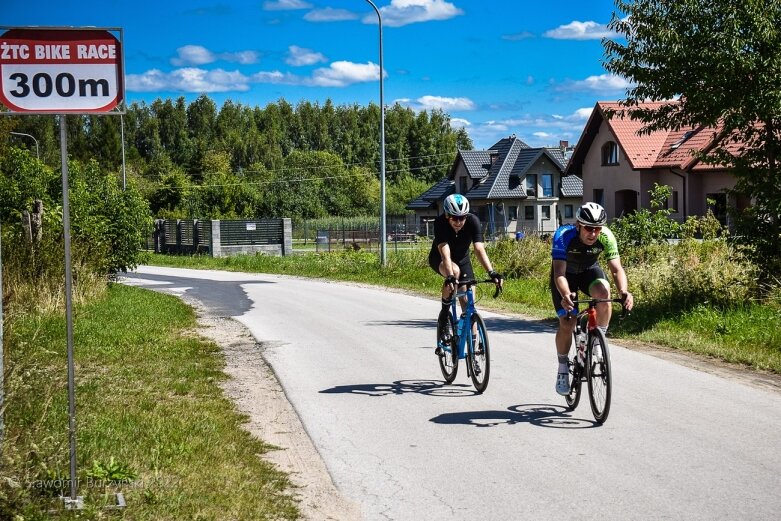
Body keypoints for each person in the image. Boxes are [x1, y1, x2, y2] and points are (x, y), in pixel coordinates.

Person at [550, 202, 634, 395]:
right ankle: (563, 368)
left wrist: (624, 292)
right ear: (579, 224)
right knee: (568, 321)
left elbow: (616, 269)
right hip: (565, 276)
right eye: (589, 228)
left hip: (588, 271)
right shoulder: (564, 236)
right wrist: (565, 295)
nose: (593, 233)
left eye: (597, 229)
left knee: (604, 295)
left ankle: (598, 340)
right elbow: (559, 274)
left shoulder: (606, 236)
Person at [429, 194, 503, 350]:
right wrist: (449, 276)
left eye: (462, 218)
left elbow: (478, 248)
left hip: (463, 260)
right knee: (454, 273)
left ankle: (473, 346)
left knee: (469, 306)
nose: (458, 222)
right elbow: (444, 251)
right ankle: (444, 317)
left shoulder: (472, 221)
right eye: (455, 218)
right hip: (440, 259)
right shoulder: (440, 222)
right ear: (447, 215)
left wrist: (492, 272)